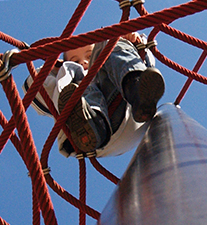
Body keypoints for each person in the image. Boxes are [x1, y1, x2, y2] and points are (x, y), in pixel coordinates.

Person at [25, 32, 164, 157]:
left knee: (110, 42)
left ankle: (136, 87)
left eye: (89, 56)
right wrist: (53, 69)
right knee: (78, 84)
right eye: (75, 61)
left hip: (128, 108)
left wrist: (134, 41)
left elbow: (146, 61)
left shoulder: (107, 60)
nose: (83, 62)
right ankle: (90, 121)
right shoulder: (65, 79)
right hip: (85, 136)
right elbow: (34, 88)